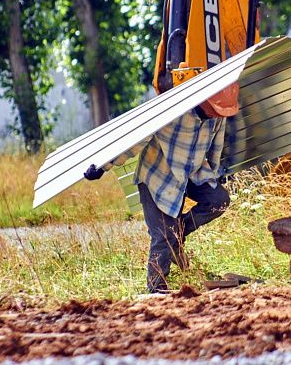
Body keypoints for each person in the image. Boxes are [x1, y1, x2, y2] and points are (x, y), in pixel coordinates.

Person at [83, 108, 230, 293]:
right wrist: (103, 166)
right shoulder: (173, 111)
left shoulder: (218, 111)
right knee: (163, 236)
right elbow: (136, 142)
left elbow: (216, 146)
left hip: (190, 175)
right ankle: (156, 290)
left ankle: (178, 233)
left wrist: (215, 175)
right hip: (157, 178)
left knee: (219, 200)